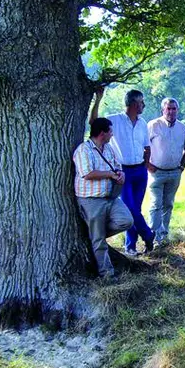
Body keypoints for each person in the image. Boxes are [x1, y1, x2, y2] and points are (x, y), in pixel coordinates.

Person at [90, 88, 154, 255]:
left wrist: (146, 164)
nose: (144, 106)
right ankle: (148, 235)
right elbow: (94, 122)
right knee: (130, 208)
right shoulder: (115, 120)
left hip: (140, 171)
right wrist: (98, 99)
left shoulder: (142, 123)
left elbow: (147, 147)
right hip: (122, 172)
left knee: (135, 209)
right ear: (133, 104)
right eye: (141, 102)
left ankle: (130, 246)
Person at [73, 118, 134, 277]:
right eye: (110, 132)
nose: (112, 135)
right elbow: (87, 174)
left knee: (126, 221)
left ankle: (93, 236)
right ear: (102, 133)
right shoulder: (83, 150)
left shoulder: (108, 149)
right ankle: (106, 273)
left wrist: (120, 174)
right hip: (91, 200)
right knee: (99, 241)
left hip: (110, 197)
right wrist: (111, 174)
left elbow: (117, 166)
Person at [147, 98, 185, 244]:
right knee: (155, 204)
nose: (171, 112)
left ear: (177, 110)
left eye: (174, 109)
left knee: (168, 204)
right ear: (163, 110)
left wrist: (182, 166)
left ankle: (163, 236)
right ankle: (153, 237)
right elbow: (143, 146)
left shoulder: (182, 127)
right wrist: (148, 164)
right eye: (168, 109)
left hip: (174, 172)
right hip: (157, 172)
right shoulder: (153, 125)